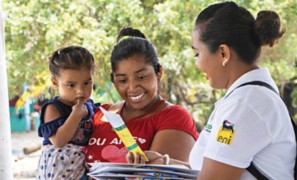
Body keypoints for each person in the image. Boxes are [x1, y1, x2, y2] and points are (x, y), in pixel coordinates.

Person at [126, 2, 296, 179]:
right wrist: (164, 164)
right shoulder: (247, 98)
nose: (197, 64)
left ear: (223, 53)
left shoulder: (245, 104)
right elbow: (209, 169)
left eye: (197, 54)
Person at [85, 27, 198, 164]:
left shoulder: (173, 117)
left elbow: (160, 174)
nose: (132, 88)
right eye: (122, 80)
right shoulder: (98, 114)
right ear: (113, 80)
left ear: (159, 72)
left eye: (141, 77)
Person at [36, 46, 99, 179]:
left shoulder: (89, 106)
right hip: (57, 171)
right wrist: (75, 116)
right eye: (71, 85)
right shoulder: (53, 108)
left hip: (80, 169)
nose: (80, 91)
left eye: (87, 83)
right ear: (55, 82)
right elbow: (58, 141)